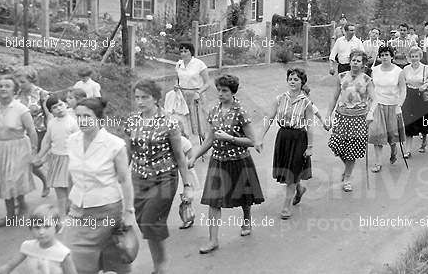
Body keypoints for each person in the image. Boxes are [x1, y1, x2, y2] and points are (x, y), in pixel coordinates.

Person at [123, 79, 193, 273]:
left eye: (145, 97)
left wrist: (187, 186)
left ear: (156, 98)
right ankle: (159, 262)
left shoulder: (170, 122)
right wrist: (119, 180)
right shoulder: (131, 121)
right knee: (145, 224)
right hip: (138, 178)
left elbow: (179, 156)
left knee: (151, 220)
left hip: (164, 178)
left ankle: (161, 265)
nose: (140, 102)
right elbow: (127, 153)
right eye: (137, 97)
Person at [189, 75, 264, 253]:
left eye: (225, 91)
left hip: (239, 161)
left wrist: (230, 138)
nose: (221, 94)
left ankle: (247, 219)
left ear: (233, 92)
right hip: (218, 161)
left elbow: (252, 141)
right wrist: (193, 157)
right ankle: (213, 240)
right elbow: (208, 140)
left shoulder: (240, 112)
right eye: (219, 90)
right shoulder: (214, 111)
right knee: (213, 201)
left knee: (245, 196)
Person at [62, 97, 135, 274]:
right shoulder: (72, 140)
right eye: (78, 116)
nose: (82, 121)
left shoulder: (115, 145)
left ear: (99, 119)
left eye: (87, 116)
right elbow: (71, 174)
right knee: (73, 260)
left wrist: (129, 212)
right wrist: (67, 200)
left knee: (115, 263)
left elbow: (125, 180)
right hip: (77, 211)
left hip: (107, 212)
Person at [259, 68, 314, 220]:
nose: (293, 82)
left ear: (302, 82)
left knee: (293, 172)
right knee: (288, 171)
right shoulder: (280, 98)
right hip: (283, 137)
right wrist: (260, 137)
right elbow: (269, 117)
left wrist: (310, 147)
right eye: (290, 78)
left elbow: (309, 125)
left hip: (299, 138)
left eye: (296, 79)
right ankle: (300, 188)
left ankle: (286, 206)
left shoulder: (306, 102)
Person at [325, 50, 374, 192]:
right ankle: (347, 168)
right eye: (353, 60)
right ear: (350, 61)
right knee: (336, 145)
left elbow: (374, 98)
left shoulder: (367, 80)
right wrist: (328, 114)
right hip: (342, 116)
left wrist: (371, 113)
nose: (355, 63)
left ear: (363, 64)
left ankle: (347, 178)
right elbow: (334, 97)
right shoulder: (341, 77)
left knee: (351, 150)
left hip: (359, 118)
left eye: (358, 61)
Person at [0, 75, 37, 227]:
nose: (3, 89)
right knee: (6, 180)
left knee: (11, 180)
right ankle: (21, 203)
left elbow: (32, 131)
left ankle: (10, 216)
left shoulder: (21, 109)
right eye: (0, 86)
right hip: (1, 148)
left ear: (15, 90)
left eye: (7, 86)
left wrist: (34, 152)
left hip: (19, 148)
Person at [0, 204, 77, 274]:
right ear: (31, 228)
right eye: (37, 227)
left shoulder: (63, 253)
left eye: (47, 226)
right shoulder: (27, 246)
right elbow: (8, 267)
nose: (41, 232)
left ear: (56, 227)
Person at [34, 94, 79, 217]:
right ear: (51, 111)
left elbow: (79, 142)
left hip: (71, 160)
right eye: (54, 107)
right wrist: (39, 156)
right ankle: (62, 217)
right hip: (57, 160)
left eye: (60, 105)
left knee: (72, 191)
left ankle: (73, 215)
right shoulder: (52, 123)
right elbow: (47, 141)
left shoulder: (73, 122)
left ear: (65, 105)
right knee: (60, 191)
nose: (59, 108)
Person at [367, 46, 406, 172]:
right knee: (378, 135)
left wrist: (399, 105)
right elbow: (371, 87)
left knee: (392, 135)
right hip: (378, 105)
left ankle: (393, 150)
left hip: (393, 106)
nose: (384, 57)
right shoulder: (375, 70)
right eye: (382, 55)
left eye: (387, 55)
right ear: (379, 57)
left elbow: (403, 89)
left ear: (392, 56)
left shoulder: (398, 71)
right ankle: (378, 163)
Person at [14, 66, 49, 197]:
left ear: (31, 79)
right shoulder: (17, 94)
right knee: (18, 166)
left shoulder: (42, 94)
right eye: (18, 82)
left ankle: (45, 182)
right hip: (20, 135)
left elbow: (49, 114)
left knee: (32, 164)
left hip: (38, 133)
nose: (19, 85)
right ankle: (18, 197)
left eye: (22, 82)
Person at [401, 47, 428, 155]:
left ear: (420, 57)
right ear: (409, 57)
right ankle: (408, 150)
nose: (414, 59)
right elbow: (403, 83)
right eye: (412, 56)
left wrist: (426, 84)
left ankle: (423, 141)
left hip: (422, 97)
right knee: (409, 123)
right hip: (410, 97)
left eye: (416, 56)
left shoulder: (426, 69)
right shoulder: (405, 69)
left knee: (423, 122)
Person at [175, 41, 212, 140]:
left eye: (186, 51)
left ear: (191, 52)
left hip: (196, 96)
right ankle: (188, 147)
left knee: (199, 123)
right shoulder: (179, 64)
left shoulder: (199, 64)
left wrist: (198, 92)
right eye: (181, 51)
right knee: (184, 122)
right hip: (182, 96)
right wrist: (176, 86)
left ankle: (204, 147)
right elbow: (178, 79)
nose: (183, 54)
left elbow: (207, 83)